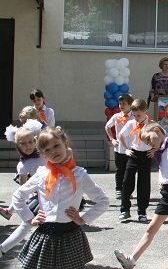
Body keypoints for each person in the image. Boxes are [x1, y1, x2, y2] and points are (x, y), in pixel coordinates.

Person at [11, 126, 109, 269]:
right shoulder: (42, 174)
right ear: (43, 154)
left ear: (65, 144)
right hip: (45, 234)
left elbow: (103, 200)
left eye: (56, 146)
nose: (53, 151)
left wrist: (84, 219)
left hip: (70, 235)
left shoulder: (79, 174)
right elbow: (18, 195)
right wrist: (29, 218)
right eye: (47, 150)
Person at [114, 123, 168, 269]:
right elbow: (164, 167)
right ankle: (131, 260)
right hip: (167, 193)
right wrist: (160, 180)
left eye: (149, 139)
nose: (149, 144)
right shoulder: (160, 150)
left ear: (157, 131)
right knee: (151, 228)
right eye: (146, 142)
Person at [0, 123, 44, 255]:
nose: (28, 146)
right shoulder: (22, 165)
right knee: (26, 224)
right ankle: (2, 249)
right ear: (18, 145)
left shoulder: (44, 153)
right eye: (23, 143)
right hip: (41, 196)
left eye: (30, 142)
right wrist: (26, 201)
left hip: (58, 191)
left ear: (35, 141)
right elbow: (22, 187)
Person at [118, 98, 154, 223]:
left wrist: (155, 150)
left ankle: (142, 211)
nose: (136, 118)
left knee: (144, 184)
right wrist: (126, 149)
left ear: (145, 111)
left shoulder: (152, 124)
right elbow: (121, 135)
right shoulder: (131, 123)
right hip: (134, 154)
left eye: (139, 115)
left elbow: (163, 138)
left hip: (146, 155)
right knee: (127, 181)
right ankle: (125, 210)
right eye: (134, 115)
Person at [105, 93, 135, 200]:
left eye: (124, 104)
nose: (121, 106)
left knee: (130, 171)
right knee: (120, 170)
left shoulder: (135, 116)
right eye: (120, 103)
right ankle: (119, 189)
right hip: (119, 149)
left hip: (132, 149)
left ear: (130, 105)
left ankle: (128, 191)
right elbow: (107, 127)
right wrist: (112, 139)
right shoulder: (116, 116)